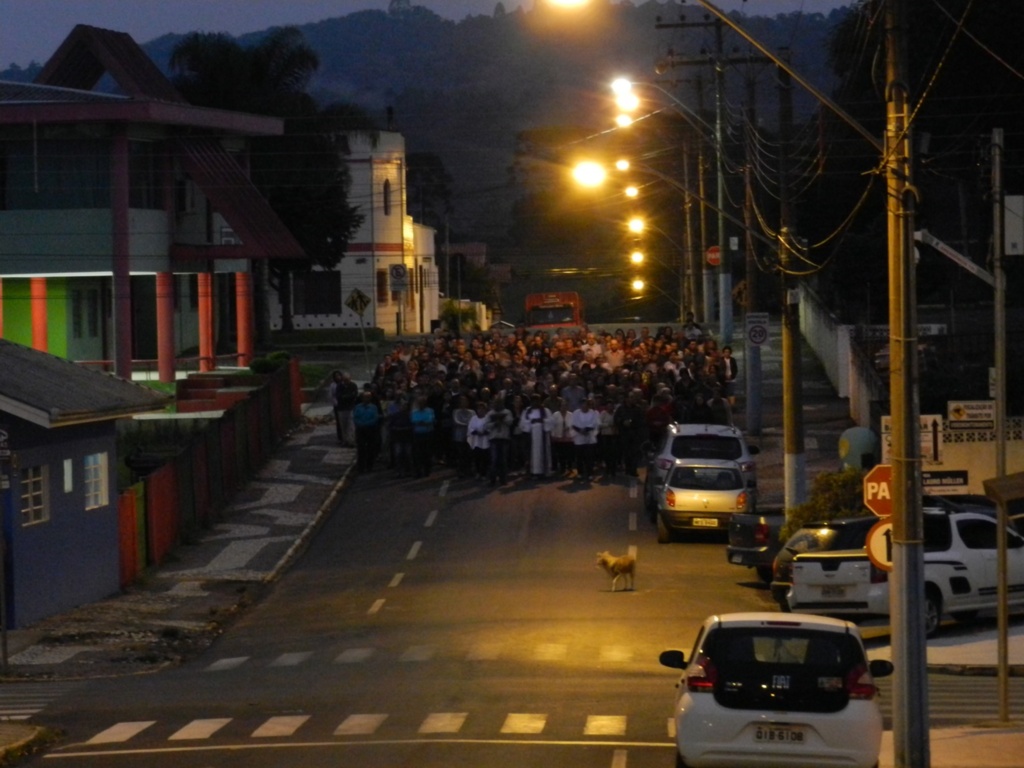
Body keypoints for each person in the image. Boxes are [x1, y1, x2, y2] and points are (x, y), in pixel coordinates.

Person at [615, 389, 648, 477]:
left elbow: (642, 421)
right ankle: (627, 468)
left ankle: (633, 469)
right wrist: (623, 422)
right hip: (624, 434)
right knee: (626, 453)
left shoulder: (638, 409)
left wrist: (633, 423)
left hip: (635, 434)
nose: (632, 399)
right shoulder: (621, 409)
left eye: (633, 398)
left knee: (635, 453)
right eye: (630, 397)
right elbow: (616, 419)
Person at [519, 393, 553, 479]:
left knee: (542, 452)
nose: (535, 403)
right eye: (533, 401)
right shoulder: (527, 411)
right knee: (532, 454)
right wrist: (532, 422)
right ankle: (533, 472)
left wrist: (542, 420)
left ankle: (544, 471)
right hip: (531, 436)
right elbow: (523, 423)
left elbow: (551, 422)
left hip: (542, 434)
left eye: (537, 401)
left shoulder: (545, 411)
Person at [486, 397, 513, 486]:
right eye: (495, 403)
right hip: (494, 438)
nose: (497, 404)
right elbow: (486, 425)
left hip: (504, 438)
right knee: (494, 459)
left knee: (503, 460)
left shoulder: (507, 412)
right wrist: (495, 423)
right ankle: (492, 479)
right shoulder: (490, 413)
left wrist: (502, 419)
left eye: (499, 403)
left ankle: (503, 479)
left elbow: (510, 422)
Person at [571, 397, 600, 481]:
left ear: (588, 405)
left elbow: (595, 424)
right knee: (579, 457)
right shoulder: (576, 413)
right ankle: (580, 472)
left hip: (589, 436)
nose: (584, 406)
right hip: (579, 437)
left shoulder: (593, 413)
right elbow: (572, 424)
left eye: (586, 404)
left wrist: (587, 429)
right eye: (582, 404)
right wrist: (580, 430)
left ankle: (590, 473)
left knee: (589, 457)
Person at [352, 390, 381, 472]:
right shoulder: (358, 407)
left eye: (368, 397)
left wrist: (366, 424)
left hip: (370, 430)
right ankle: (361, 467)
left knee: (370, 448)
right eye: (364, 397)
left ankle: (369, 466)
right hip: (360, 430)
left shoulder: (373, 407)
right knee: (361, 448)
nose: (366, 399)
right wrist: (360, 424)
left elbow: (375, 418)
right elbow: (355, 417)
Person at [330, 370, 359, 446]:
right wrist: (348, 396)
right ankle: (345, 440)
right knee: (343, 425)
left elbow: (354, 395)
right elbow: (339, 396)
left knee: (351, 425)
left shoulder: (353, 385)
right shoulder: (339, 386)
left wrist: (346, 397)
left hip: (350, 408)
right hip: (342, 408)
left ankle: (351, 440)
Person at [410, 395, 436, 478]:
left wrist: (422, 422)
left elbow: (430, 421)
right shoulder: (414, 412)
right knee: (418, 454)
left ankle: (427, 470)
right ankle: (418, 471)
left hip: (428, 434)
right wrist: (423, 422)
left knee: (427, 453)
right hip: (418, 434)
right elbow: (414, 421)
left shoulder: (430, 411)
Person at [388, 396, 413, 477]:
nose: (403, 407)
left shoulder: (409, 415)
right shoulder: (395, 416)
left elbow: (412, 425)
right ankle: (399, 471)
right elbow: (391, 426)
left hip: (407, 437)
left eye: (405, 405)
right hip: (397, 438)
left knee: (408, 454)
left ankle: (408, 470)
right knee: (398, 454)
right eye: (402, 405)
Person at [451, 395, 475, 478]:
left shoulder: (472, 412)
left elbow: (473, 421)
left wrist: (467, 424)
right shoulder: (456, 411)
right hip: (459, 436)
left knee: (469, 454)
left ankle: (469, 470)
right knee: (461, 454)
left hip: (469, 436)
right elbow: (456, 421)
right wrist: (467, 424)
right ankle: (461, 471)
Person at [550, 398, 575, 476]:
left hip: (569, 437)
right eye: (562, 406)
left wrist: (568, 428)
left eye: (565, 406)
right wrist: (553, 435)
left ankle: (570, 467)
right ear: (559, 407)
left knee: (569, 454)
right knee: (561, 454)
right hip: (559, 437)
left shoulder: (571, 414)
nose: (564, 407)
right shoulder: (555, 415)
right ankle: (562, 468)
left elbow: (574, 425)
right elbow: (552, 426)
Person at [467, 401, 491, 479]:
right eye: (479, 409)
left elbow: (490, 428)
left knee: (485, 458)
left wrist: (484, 432)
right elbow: (470, 428)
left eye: (482, 409)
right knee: (477, 458)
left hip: (485, 441)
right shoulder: (474, 418)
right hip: (476, 441)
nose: (480, 410)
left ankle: (484, 473)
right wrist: (477, 432)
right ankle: (478, 472)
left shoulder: (487, 418)